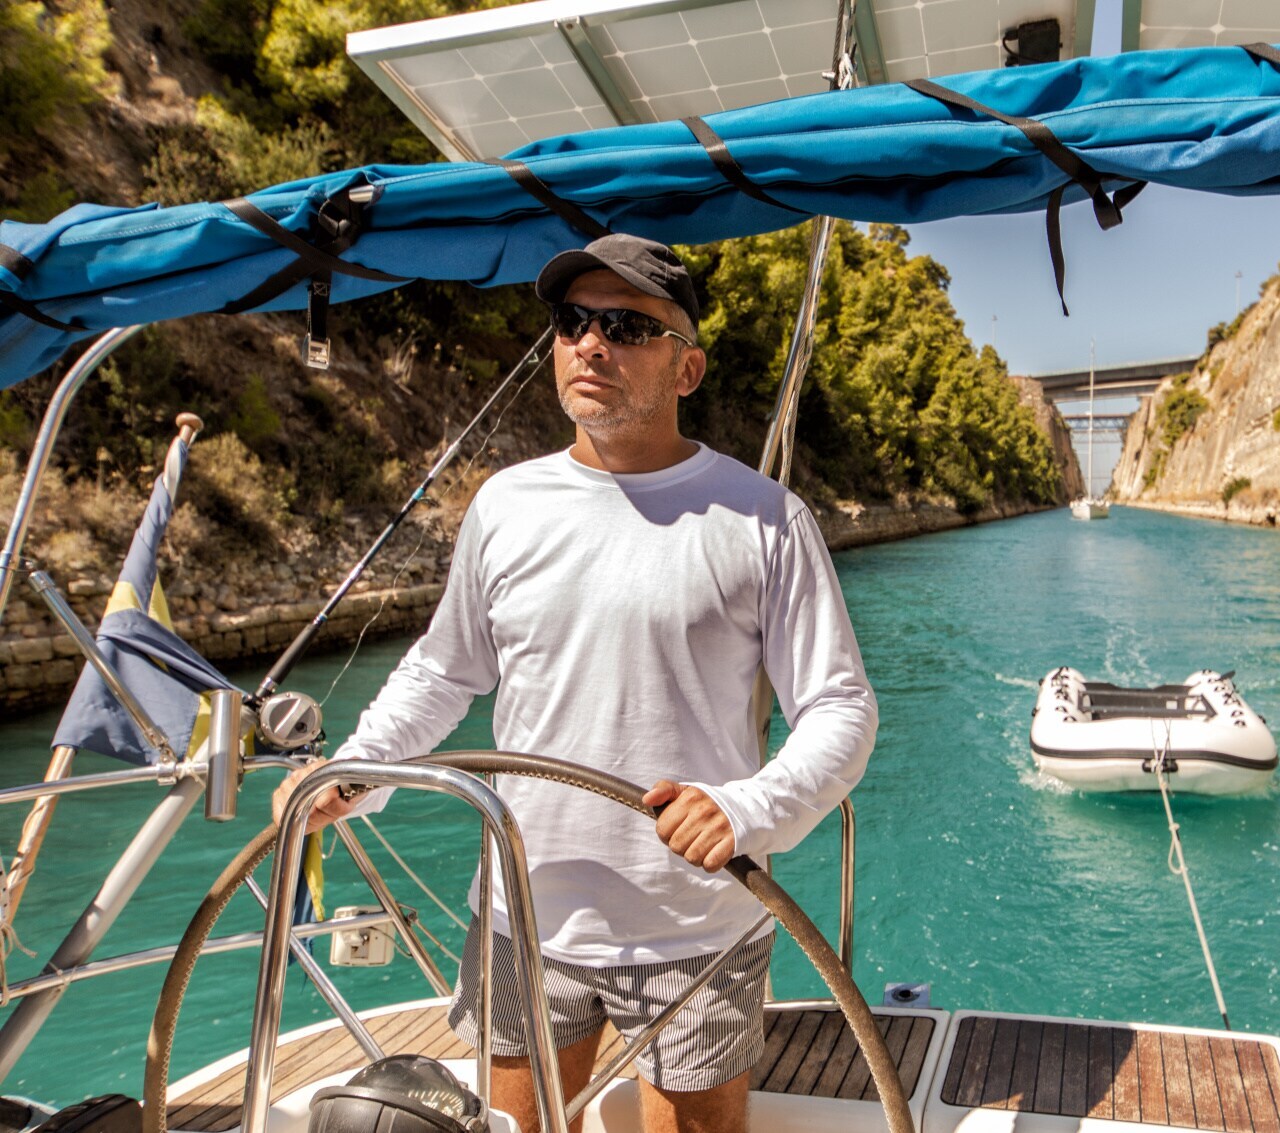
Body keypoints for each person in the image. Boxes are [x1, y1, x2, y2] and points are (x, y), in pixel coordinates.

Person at [272, 233, 878, 1133]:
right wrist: (355, 772)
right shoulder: (504, 505)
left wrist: (748, 808)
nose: (592, 343)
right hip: (523, 916)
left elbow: (839, 709)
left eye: (627, 325)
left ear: (688, 367)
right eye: (572, 321)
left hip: (697, 926)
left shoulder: (763, 517)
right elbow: (446, 669)